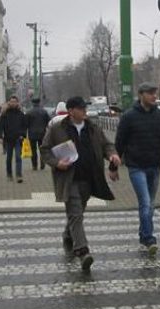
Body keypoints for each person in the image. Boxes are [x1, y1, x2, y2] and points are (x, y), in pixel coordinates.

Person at [41, 96, 121, 271]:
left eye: (85, 107)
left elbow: (107, 145)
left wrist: (112, 155)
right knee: (76, 213)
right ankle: (82, 251)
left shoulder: (93, 128)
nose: (85, 111)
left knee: (78, 212)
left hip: (89, 177)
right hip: (69, 178)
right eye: (81, 108)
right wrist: (57, 163)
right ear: (71, 111)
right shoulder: (57, 129)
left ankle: (68, 234)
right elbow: (45, 150)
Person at [114, 82, 160, 256]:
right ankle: (148, 238)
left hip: (154, 165)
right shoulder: (129, 117)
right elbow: (119, 143)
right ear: (141, 95)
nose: (154, 96)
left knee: (150, 205)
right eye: (150, 93)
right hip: (135, 166)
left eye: (155, 93)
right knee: (145, 202)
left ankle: (142, 232)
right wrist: (113, 167)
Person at [0, 95, 27, 183]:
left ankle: (19, 175)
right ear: (9, 103)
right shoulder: (4, 114)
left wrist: (23, 135)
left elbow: (24, 126)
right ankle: (9, 174)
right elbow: (0, 127)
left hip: (18, 139)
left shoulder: (21, 114)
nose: (13, 103)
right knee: (9, 158)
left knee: (18, 157)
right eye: (11, 101)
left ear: (17, 103)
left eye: (15, 102)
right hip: (8, 139)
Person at [25, 98, 50, 170]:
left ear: (32, 103)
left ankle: (34, 165)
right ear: (39, 102)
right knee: (42, 149)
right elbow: (48, 122)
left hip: (32, 134)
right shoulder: (44, 112)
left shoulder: (29, 112)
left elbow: (26, 124)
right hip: (42, 133)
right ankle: (42, 164)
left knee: (33, 150)